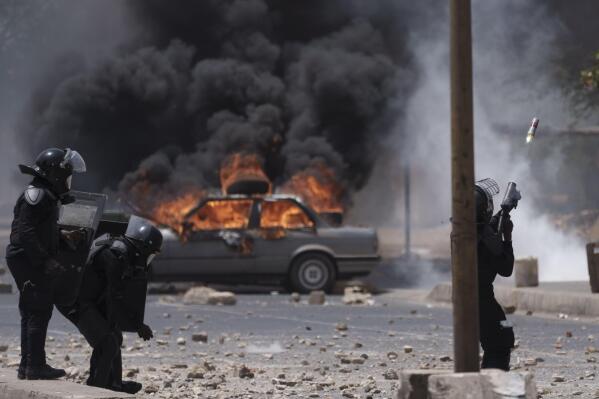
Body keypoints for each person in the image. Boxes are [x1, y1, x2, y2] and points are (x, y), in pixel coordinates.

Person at [5, 148, 87, 380]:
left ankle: (27, 366)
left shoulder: (43, 194)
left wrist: (64, 237)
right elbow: (26, 233)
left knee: (30, 312)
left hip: (25, 257)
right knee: (39, 311)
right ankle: (35, 367)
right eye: (67, 175)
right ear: (56, 174)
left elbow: (40, 231)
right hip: (27, 259)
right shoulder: (38, 195)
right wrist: (45, 261)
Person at [72, 216, 162, 394]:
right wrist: (138, 326)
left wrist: (131, 323)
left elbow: (118, 296)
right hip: (78, 302)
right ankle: (97, 390)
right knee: (108, 343)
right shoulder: (114, 255)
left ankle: (114, 384)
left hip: (93, 300)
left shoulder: (122, 252)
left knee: (114, 336)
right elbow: (115, 296)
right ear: (141, 247)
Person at [475, 178, 515, 371]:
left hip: (467, 299)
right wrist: (507, 237)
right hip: (482, 300)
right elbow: (506, 269)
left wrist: (503, 213)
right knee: (503, 337)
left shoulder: (463, 230)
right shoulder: (487, 240)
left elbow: (485, 227)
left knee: (495, 338)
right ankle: (492, 384)